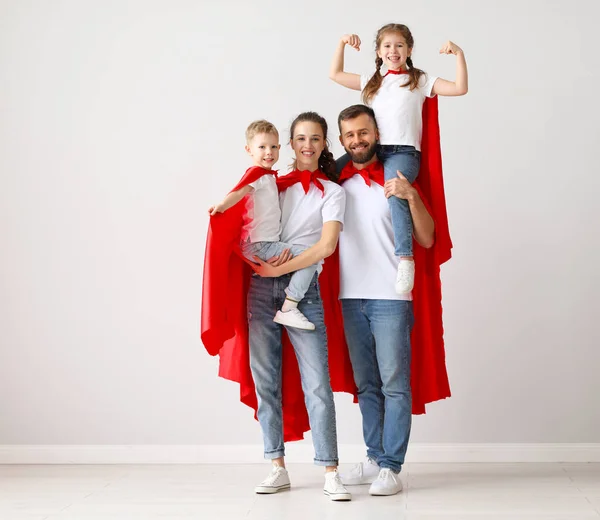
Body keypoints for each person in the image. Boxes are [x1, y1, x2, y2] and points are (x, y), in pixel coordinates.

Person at [210, 111, 354, 501]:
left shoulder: (333, 192)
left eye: (316, 139)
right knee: (266, 382)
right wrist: (253, 262)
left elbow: (326, 247)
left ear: (325, 144)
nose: (307, 145)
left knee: (317, 385)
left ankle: (330, 470)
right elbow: (245, 222)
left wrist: (279, 267)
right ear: (291, 145)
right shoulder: (273, 183)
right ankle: (276, 466)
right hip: (261, 289)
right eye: (301, 139)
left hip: (302, 292)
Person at [335, 103, 452, 496]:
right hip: (349, 298)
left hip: (392, 297)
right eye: (350, 135)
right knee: (366, 385)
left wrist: (412, 196)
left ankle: (391, 466)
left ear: (377, 133)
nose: (357, 140)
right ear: (341, 141)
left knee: (395, 385)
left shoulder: (397, 176)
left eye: (363, 132)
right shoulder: (338, 181)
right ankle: (373, 457)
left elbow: (427, 239)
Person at [329, 23, 468, 295]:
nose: (394, 51)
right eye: (387, 46)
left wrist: (459, 54)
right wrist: (343, 42)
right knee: (330, 173)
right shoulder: (372, 79)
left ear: (410, 49)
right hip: (375, 147)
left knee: (394, 193)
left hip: (403, 152)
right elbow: (334, 74)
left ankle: (405, 258)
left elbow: (460, 88)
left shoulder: (419, 80)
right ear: (379, 52)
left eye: (400, 45)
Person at [207, 120, 317, 330]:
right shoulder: (256, 175)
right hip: (260, 244)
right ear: (249, 150)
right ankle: (289, 307)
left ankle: (285, 305)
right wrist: (221, 205)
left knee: (305, 259)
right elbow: (239, 192)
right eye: (262, 147)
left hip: (265, 243)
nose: (269, 152)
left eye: (274, 146)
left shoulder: (268, 178)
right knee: (310, 257)